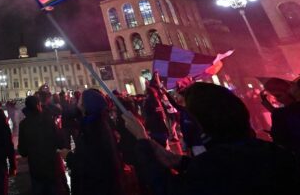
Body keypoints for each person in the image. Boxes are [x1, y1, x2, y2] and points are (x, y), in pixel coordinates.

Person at [124, 82, 300, 195]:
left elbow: (168, 188)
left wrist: (142, 140)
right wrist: (181, 162)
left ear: (203, 121)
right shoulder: (277, 154)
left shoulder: (212, 166)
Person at [62, 89, 124, 195]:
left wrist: (68, 156)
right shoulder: (95, 123)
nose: (78, 101)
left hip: (95, 187)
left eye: (80, 99)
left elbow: (88, 164)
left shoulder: (92, 130)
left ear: (85, 105)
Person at [18, 96, 68, 195]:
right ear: (38, 105)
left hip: (35, 167)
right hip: (51, 164)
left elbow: (23, 151)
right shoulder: (48, 120)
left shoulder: (24, 124)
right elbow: (60, 143)